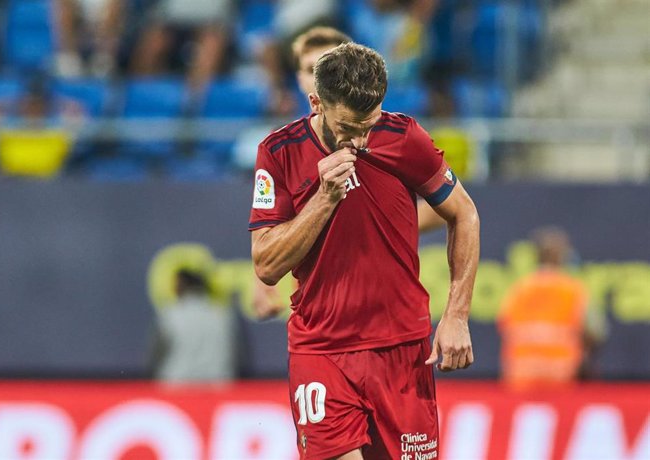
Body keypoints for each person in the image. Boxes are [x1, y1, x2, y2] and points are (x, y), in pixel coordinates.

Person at [249, 43, 480, 458]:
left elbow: (464, 215)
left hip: (402, 350)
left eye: (368, 125)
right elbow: (266, 264)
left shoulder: (405, 137)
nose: (359, 140)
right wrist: (324, 198)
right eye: (348, 127)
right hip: (322, 351)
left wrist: (457, 315)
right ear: (316, 102)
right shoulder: (279, 152)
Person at [252, 27, 445, 319]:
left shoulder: (394, 134)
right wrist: (260, 283)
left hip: (381, 308)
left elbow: (445, 206)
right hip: (314, 307)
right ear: (300, 77)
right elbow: (268, 229)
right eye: (308, 68)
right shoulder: (278, 148)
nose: (316, 78)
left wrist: (372, 232)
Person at [498, 227, 606, 391]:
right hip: (562, 377)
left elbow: (504, 325)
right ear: (563, 256)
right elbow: (596, 332)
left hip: (521, 377)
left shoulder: (519, 289)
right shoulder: (573, 290)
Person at [150, 269, 236, 382]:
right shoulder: (222, 314)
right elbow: (236, 355)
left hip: (176, 387)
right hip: (217, 386)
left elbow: (157, 355)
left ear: (183, 285)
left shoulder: (170, 315)